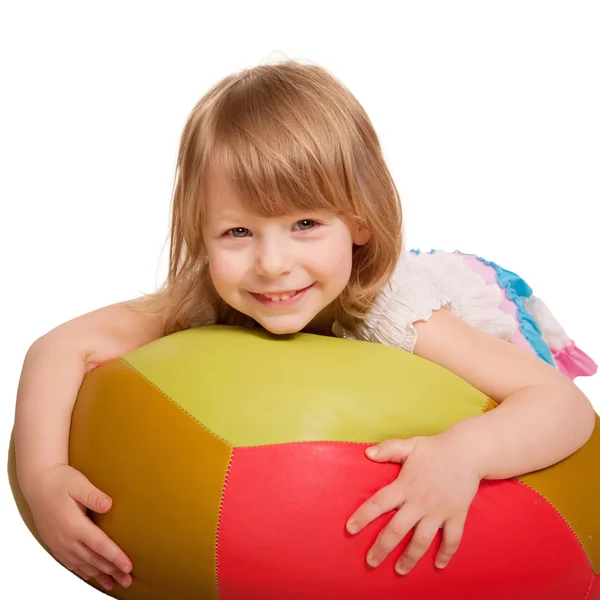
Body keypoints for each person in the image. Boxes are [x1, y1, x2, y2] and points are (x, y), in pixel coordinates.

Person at [13, 59, 597, 592]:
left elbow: (562, 406)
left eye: (305, 223)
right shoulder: (207, 294)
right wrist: (43, 475)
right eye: (237, 232)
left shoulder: (396, 314)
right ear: (201, 233)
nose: (271, 264)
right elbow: (61, 346)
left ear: (360, 221)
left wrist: (463, 452)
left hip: (467, 313)